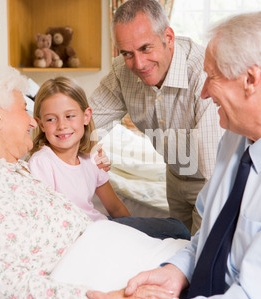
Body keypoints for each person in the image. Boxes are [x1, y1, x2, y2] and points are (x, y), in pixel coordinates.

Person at [88, 11, 261, 299]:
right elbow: (210, 237)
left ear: (251, 79)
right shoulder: (235, 136)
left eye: (212, 77)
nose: (204, 92)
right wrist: (176, 271)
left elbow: (260, 294)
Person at [0, 65, 179, 299]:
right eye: (24, 109)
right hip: (96, 273)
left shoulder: (12, 171)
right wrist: (105, 298)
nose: (32, 122)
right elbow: (5, 282)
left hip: (109, 247)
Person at [89, 0, 223, 235]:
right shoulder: (122, 71)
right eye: (127, 53)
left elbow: (213, 168)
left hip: (210, 181)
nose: (138, 64)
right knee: (178, 244)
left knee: (201, 255)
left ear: (168, 38)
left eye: (145, 48)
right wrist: (82, 154)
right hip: (174, 173)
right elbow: (87, 123)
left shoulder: (202, 74)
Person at [28, 76, 190, 240]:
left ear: (86, 116)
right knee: (179, 231)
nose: (62, 125)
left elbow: (115, 207)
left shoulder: (91, 158)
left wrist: (135, 237)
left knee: (178, 227)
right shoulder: (42, 162)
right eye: (51, 119)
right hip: (84, 235)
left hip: (102, 226)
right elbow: (45, 219)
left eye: (69, 116)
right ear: (41, 124)